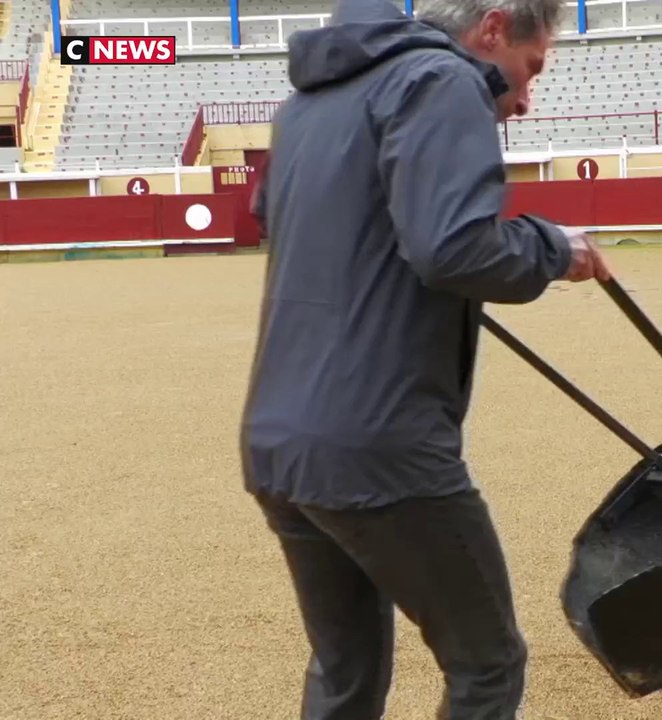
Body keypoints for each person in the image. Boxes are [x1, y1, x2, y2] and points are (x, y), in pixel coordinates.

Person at [239, 0, 608, 718]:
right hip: (381, 446)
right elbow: (453, 248)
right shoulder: (441, 80)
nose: (526, 100)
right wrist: (553, 249)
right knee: (488, 664)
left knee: (346, 670)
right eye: (530, 71)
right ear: (493, 28)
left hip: (279, 442)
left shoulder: (307, 103)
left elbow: (279, 216)